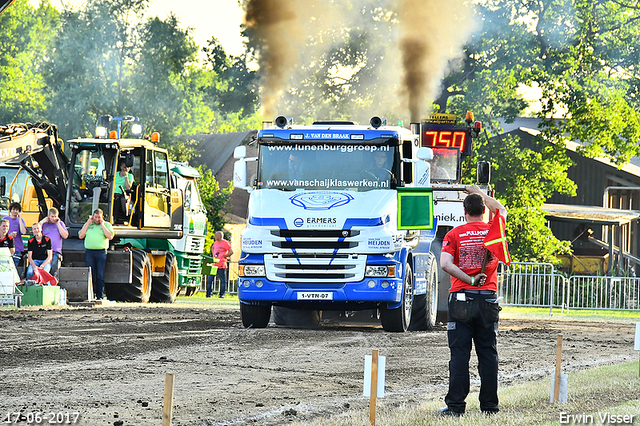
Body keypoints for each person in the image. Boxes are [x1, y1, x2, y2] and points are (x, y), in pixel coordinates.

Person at [438, 185, 507, 416]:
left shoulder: (454, 234)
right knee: (488, 354)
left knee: (459, 355)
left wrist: (468, 279)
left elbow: (446, 264)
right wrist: (478, 191)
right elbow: (502, 210)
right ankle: (489, 407)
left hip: (460, 299)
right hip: (488, 298)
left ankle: (456, 407)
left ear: (464, 210)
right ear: (484, 210)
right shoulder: (493, 231)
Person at [79, 209, 114, 300]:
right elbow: (81, 235)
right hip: (89, 252)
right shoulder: (89, 225)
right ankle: (91, 294)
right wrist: (87, 223)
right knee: (91, 274)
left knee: (100, 274)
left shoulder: (107, 225)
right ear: (92, 217)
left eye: (99, 217)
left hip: (101, 252)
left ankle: (100, 296)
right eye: (95, 217)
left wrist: (102, 225)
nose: (97, 219)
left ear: (102, 217)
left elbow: (110, 236)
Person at [39, 207, 69, 277]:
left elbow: (65, 236)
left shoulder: (60, 223)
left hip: (55, 252)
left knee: (54, 270)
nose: (54, 218)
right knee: (44, 269)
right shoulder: (44, 224)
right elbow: (36, 232)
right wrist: (41, 222)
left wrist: (58, 224)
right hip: (44, 252)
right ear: (48, 216)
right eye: (52, 216)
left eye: (55, 216)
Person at [207, 231, 233, 298]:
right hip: (214, 264)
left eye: (216, 235)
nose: (215, 237)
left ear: (220, 236)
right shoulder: (216, 242)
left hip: (222, 264)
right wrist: (213, 255)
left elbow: (231, 251)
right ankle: (209, 294)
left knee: (222, 280)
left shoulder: (225, 243)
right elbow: (212, 248)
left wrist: (225, 256)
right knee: (210, 280)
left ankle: (222, 294)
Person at [3, 202, 27, 268]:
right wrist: (9, 235)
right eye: (13, 209)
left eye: (17, 210)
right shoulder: (5, 219)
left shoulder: (21, 220)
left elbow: (23, 232)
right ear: (10, 210)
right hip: (6, 247)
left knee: (15, 267)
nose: (15, 211)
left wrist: (19, 218)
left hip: (17, 247)